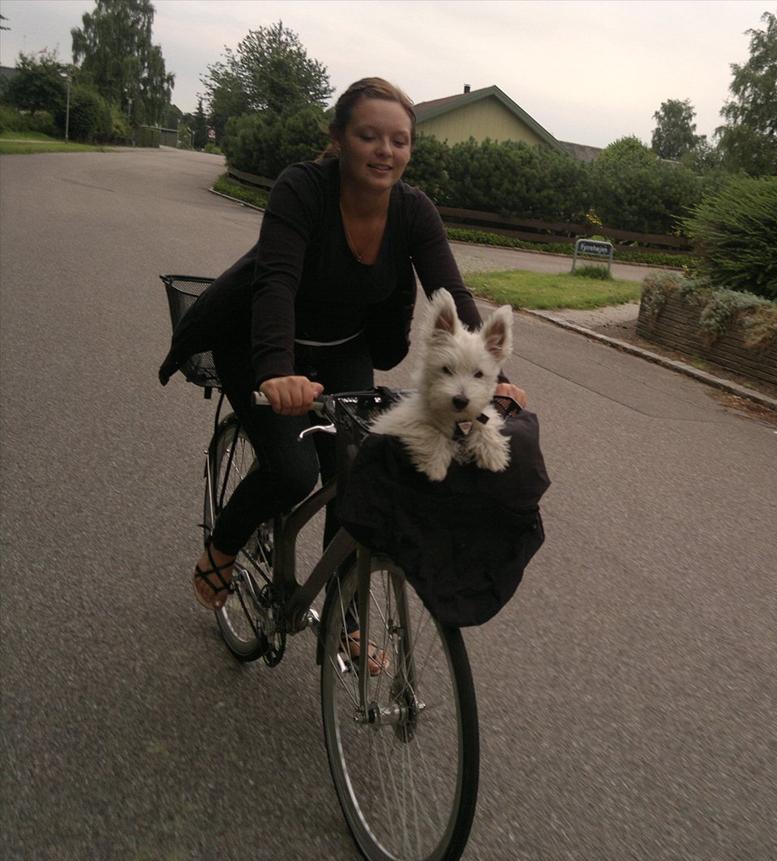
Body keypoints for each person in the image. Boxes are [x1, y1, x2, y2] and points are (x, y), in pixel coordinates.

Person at [159, 77, 526, 619]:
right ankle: (223, 547)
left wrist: (493, 375)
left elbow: (453, 292)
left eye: (399, 141)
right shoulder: (301, 188)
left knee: (357, 474)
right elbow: (276, 283)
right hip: (259, 340)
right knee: (292, 472)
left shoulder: (414, 211)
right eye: (369, 136)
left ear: (409, 149)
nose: (385, 151)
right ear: (339, 138)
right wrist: (276, 371)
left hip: (341, 348)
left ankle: (344, 616)